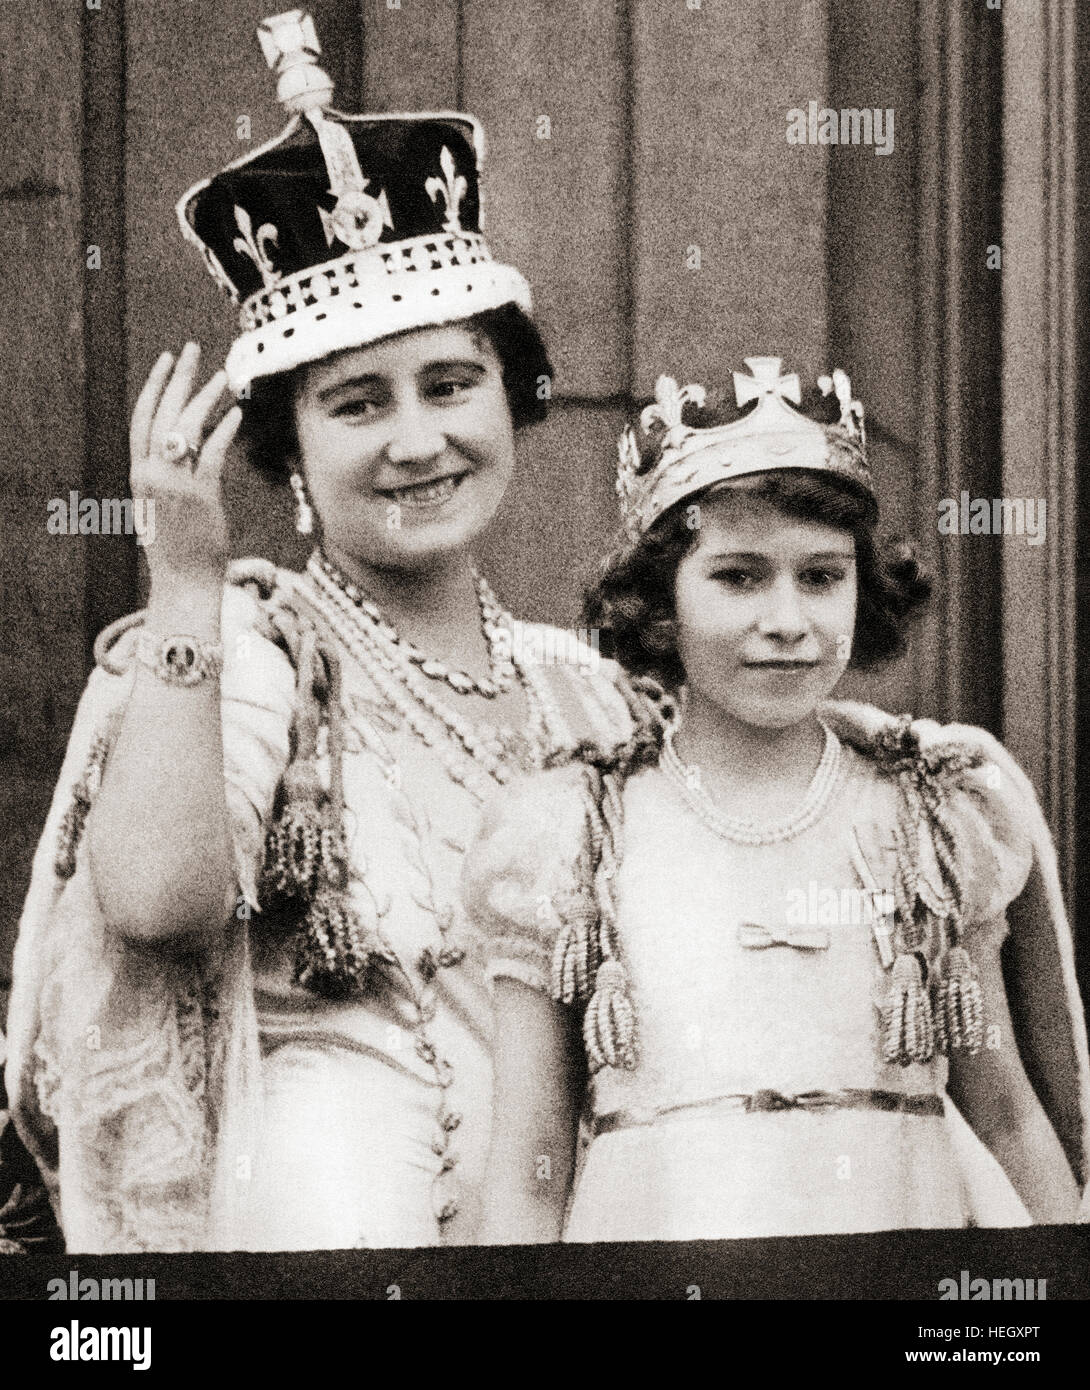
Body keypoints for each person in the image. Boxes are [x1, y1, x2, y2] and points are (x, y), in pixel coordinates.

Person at [3, 11, 638, 1253]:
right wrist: (184, 587)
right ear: (289, 454)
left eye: (452, 385)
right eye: (359, 404)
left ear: (513, 399)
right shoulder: (253, 657)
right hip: (329, 1232)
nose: (418, 440)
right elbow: (154, 904)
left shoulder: (590, 691)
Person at [465, 358, 1090, 1243]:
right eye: (740, 576)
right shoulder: (572, 834)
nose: (788, 619)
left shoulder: (929, 815)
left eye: (822, 576)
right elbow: (530, 1168)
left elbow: (1006, 1115)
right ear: (660, 602)